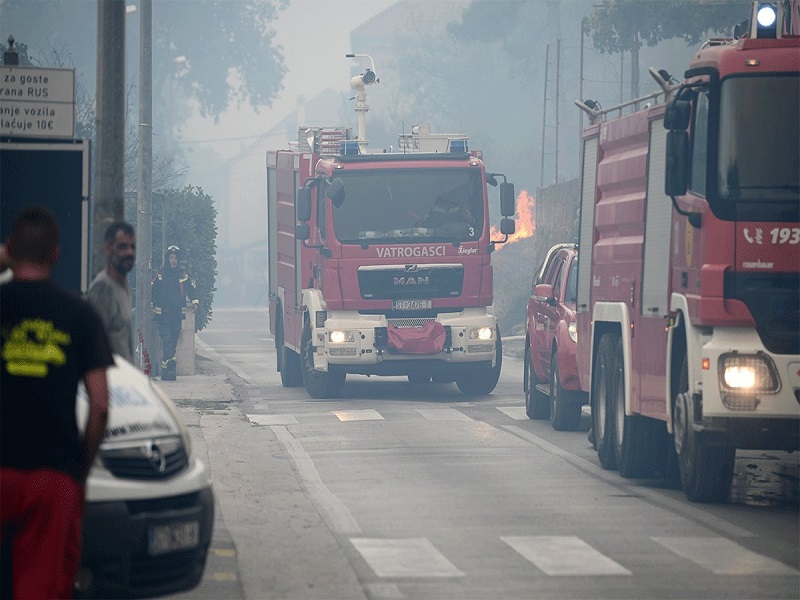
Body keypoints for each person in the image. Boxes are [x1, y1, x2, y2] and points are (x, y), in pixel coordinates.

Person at [0, 206, 113, 599]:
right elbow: (100, 404)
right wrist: (79, 468)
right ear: (56, 255)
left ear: (10, 249)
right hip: (53, 476)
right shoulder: (79, 315)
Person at [86, 221, 136, 362]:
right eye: (122, 247)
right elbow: (93, 346)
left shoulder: (123, 286)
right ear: (108, 248)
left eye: (132, 247)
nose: (129, 252)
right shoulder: (103, 288)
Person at [151, 244, 199, 381]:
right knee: (168, 342)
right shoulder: (160, 275)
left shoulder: (182, 275)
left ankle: (166, 372)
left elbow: (191, 289)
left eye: (175, 258)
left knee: (173, 341)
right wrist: (151, 305)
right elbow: (152, 290)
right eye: (171, 258)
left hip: (177, 316)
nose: (173, 260)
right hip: (163, 316)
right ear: (167, 259)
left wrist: (195, 302)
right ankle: (171, 369)